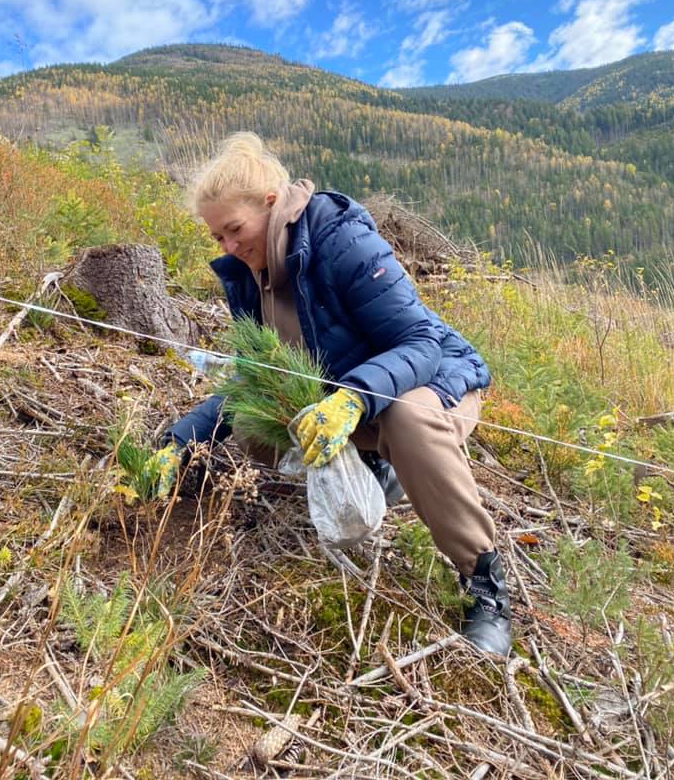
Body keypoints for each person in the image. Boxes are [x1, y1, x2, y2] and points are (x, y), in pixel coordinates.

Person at [154, 131, 512, 655]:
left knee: (406, 421)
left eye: (235, 229)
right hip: (352, 400)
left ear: (272, 205)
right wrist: (178, 442)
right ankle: (376, 471)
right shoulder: (248, 276)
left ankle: (484, 585)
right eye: (217, 239)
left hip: (432, 382)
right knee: (259, 419)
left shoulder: (340, 239)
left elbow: (421, 343)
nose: (229, 248)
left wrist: (352, 400)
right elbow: (255, 379)